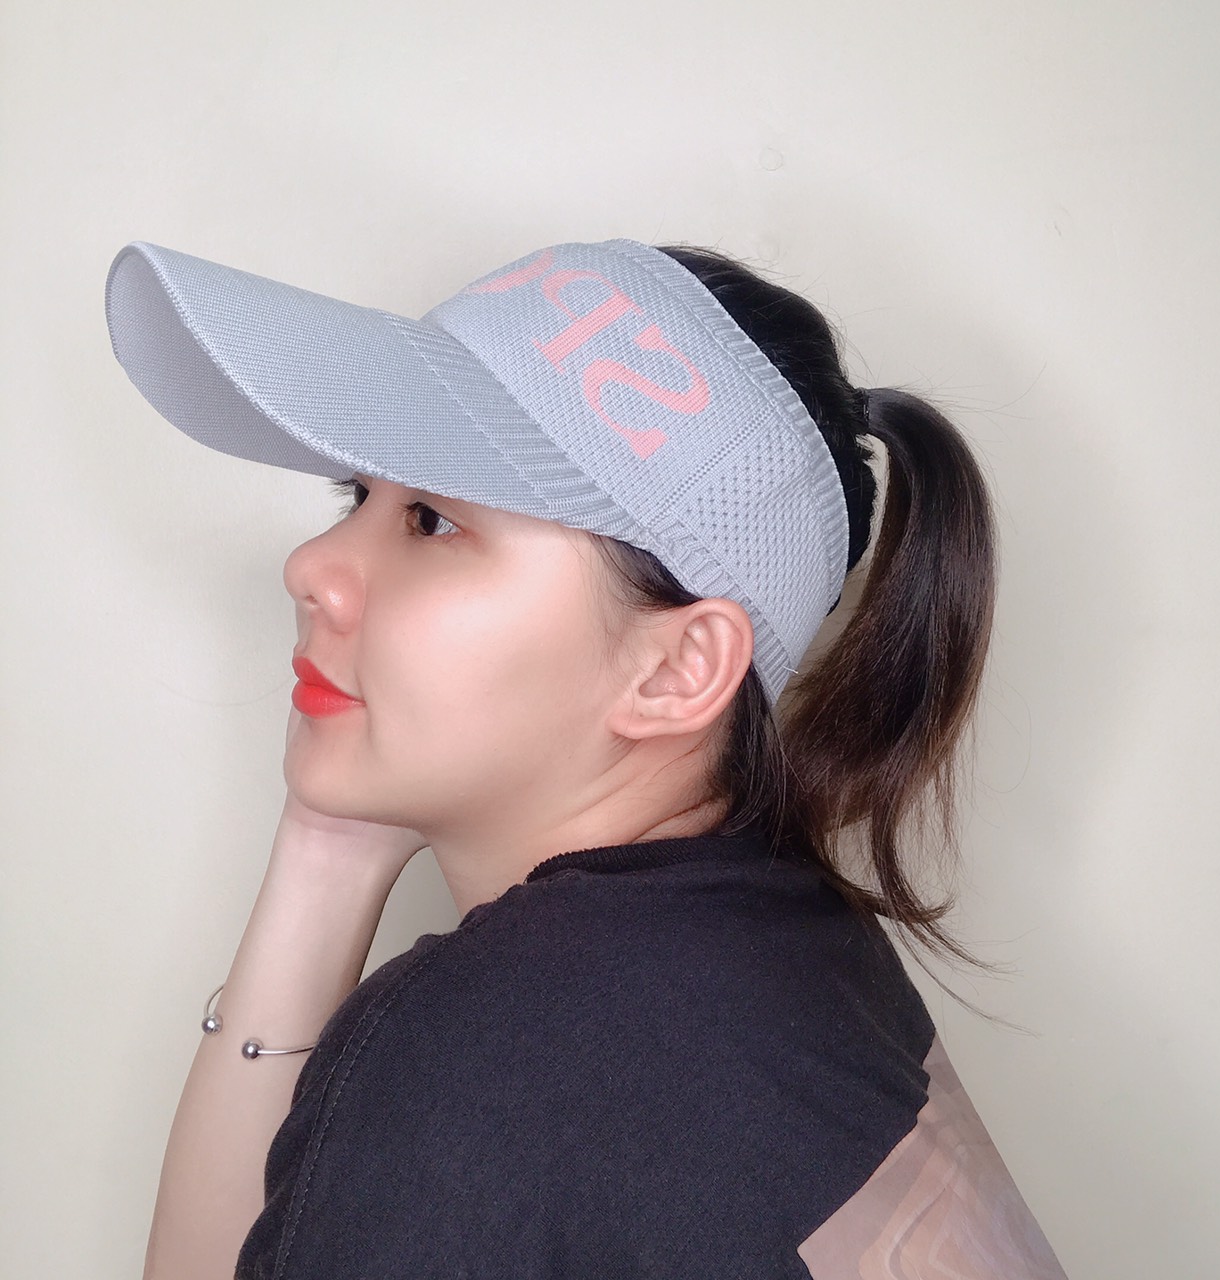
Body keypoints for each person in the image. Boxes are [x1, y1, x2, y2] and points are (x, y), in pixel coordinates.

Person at [105, 235, 1068, 1279]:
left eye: (431, 519)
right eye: (357, 497)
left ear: (677, 669)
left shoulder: (496, 1053)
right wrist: (328, 843)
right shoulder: (793, 949)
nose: (313, 567)